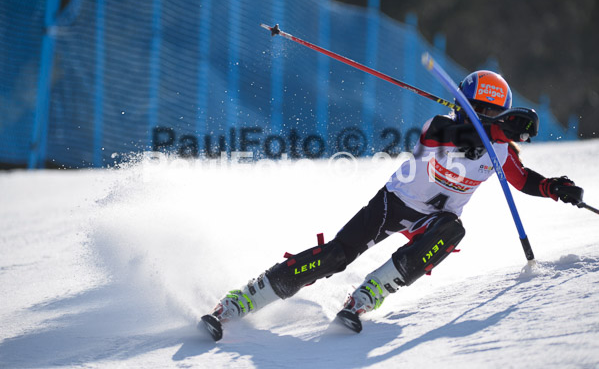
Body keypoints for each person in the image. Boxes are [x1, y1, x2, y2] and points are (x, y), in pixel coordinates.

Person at [200, 70, 584, 341]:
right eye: (478, 110)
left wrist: (555, 188)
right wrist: (491, 129)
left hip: (432, 222)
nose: (484, 119)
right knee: (336, 257)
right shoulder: (441, 127)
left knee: (453, 229)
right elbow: (444, 136)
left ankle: (369, 294)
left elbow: (523, 179)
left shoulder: (501, 148)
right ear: (464, 106)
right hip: (393, 204)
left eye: (491, 113)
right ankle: (245, 298)